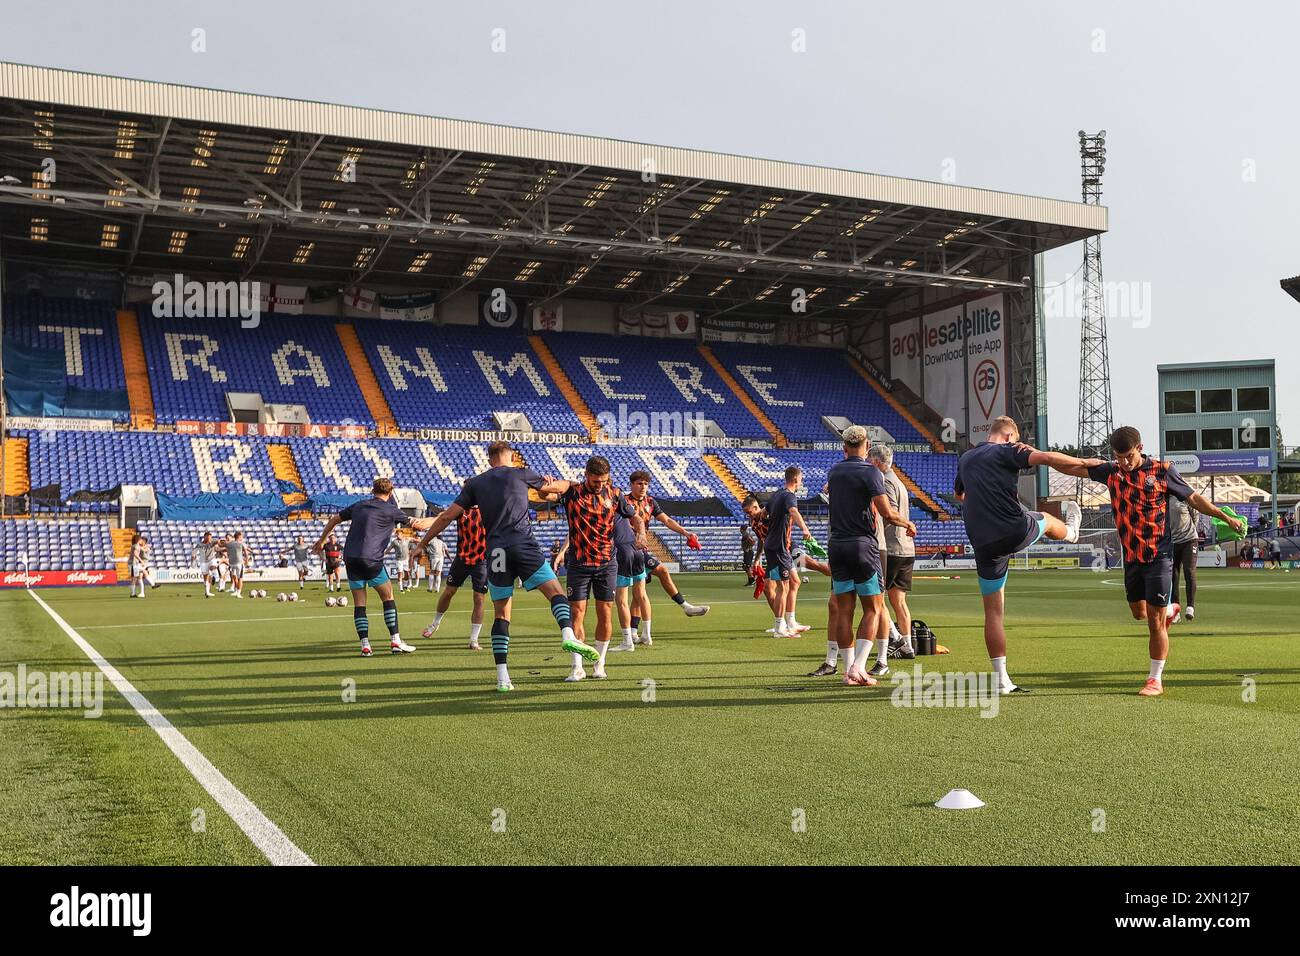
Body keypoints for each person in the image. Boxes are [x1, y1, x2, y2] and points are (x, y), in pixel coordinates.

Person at [1059, 426, 1244, 697]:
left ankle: (1154, 679)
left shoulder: (1162, 471)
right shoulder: (1112, 472)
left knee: (1154, 623)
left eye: (1129, 456)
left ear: (1140, 448)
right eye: (1119, 457)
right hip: (1132, 558)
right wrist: (1034, 456)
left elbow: (1193, 497)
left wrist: (1227, 518)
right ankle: (1171, 610)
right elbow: (1076, 466)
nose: (1124, 462)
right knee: (1139, 612)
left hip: (1160, 555)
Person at [413, 441, 602, 692]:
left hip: (496, 552)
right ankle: (567, 634)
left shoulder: (475, 483)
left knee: (502, 614)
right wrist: (568, 483)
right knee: (556, 593)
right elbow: (553, 488)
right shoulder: (521, 472)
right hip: (523, 544)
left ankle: (503, 678)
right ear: (512, 457)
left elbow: (446, 517)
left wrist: (420, 545)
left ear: (490, 459)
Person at [953, 416, 1089, 695]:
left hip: (983, 542)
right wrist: (1088, 464)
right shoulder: (1008, 450)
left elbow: (959, 495)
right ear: (1009, 436)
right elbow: (1048, 457)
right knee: (1046, 519)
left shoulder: (966, 458)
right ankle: (1073, 532)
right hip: (1012, 529)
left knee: (993, 613)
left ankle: (1001, 680)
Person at [823, 427, 916, 685]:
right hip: (863, 546)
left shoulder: (835, 471)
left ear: (844, 447)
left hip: (837, 545)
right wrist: (907, 523)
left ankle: (847, 669)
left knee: (844, 610)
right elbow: (886, 512)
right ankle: (859, 667)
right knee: (874, 608)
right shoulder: (871, 471)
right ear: (866, 444)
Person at [313, 478, 435, 656]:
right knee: (388, 598)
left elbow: (334, 519)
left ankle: (365, 645)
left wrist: (321, 541)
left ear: (372, 490)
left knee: (360, 604)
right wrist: (441, 517)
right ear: (391, 492)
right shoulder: (391, 510)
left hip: (351, 558)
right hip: (371, 559)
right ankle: (395, 641)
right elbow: (420, 525)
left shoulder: (359, 505)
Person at [551, 457, 645, 682]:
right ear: (586, 476)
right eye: (595, 481)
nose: (599, 485)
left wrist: (640, 533)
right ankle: (577, 667)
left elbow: (636, 518)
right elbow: (547, 493)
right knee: (577, 614)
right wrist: (545, 487)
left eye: (603, 481)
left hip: (606, 563)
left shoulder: (615, 494)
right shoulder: (573, 492)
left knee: (605, 612)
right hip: (579, 564)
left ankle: (599, 663)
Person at [626, 470, 709, 645]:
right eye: (639, 483)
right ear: (631, 484)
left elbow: (667, 521)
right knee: (659, 573)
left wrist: (686, 533)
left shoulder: (650, 502)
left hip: (641, 551)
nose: (643, 487)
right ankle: (685, 606)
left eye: (646, 484)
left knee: (638, 591)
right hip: (628, 549)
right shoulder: (624, 502)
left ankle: (634, 632)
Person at [868, 443, 917, 661]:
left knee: (878, 599)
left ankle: (892, 642)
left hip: (892, 547)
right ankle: (906, 646)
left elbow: (890, 513)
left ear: (877, 462)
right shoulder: (900, 482)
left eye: (870, 460)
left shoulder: (886, 481)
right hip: (906, 548)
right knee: (899, 601)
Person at [422, 505, 487, 650]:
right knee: (449, 592)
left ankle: (474, 639)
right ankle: (435, 623)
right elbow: (442, 517)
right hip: (462, 559)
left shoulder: (488, 507)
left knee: (479, 598)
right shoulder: (461, 509)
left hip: (481, 560)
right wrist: (422, 523)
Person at [764, 466, 812, 638]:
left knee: (795, 581)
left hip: (773, 545)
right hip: (779, 547)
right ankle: (779, 628)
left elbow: (763, 514)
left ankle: (790, 622)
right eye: (801, 479)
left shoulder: (777, 494)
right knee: (782, 587)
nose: (801, 482)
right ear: (795, 479)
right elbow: (793, 511)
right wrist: (805, 529)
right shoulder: (789, 496)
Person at [1167, 494, 1198, 622]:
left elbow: (1195, 515)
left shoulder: (1183, 497)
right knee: (1173, 575)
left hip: (1189, 540)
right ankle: (1176, 610)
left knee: (1189, 571)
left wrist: (1190, 530)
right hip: (1172, 542)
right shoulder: (1161, 499)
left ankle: (1190, 607)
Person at [193, 531, 223, 598]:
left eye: (211, 537)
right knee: (205, 578)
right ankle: (207, 592)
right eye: (209, 537)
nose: (210, 539)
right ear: (205, 537)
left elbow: (219, 541)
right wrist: (194, 555)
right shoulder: (200, 544)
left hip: (211, 559)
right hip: (203, 561)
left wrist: (220, 542)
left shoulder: (213, 541)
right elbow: (194, 551)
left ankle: (214, 576)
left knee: (213, 566)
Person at [224, 531, 252, 598]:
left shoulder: (229, 544)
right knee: (240, 578)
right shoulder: (241, 544)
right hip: (239, 563)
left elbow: (227, 551)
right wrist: (247, 561)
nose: (242, 537)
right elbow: (246, 553)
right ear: (239, 536)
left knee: (234, 577)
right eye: (241, 536)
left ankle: (236, 591)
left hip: (231, 563)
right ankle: (238, 593)